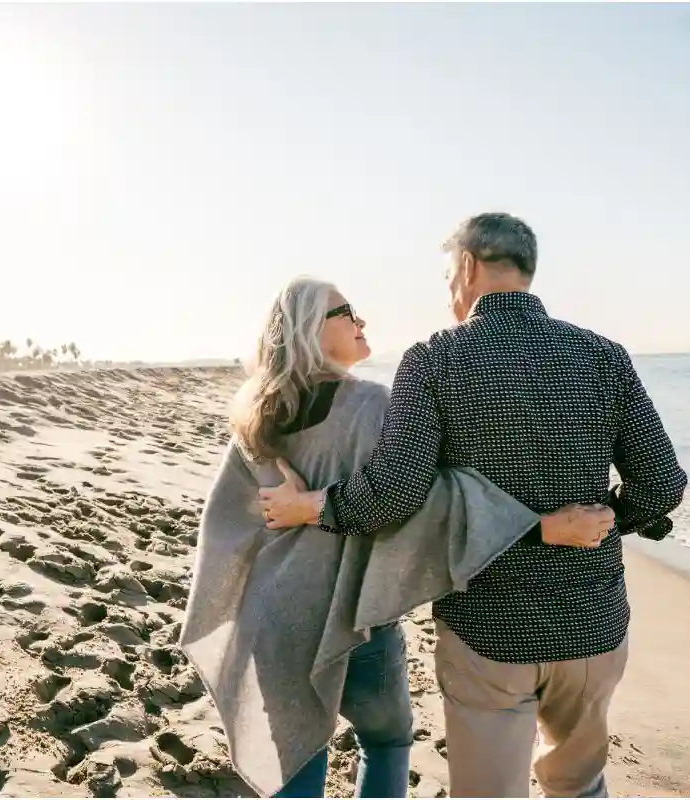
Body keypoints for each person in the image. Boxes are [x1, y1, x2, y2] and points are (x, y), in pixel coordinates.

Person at [258, 214, 689, 799]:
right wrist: (612, 518)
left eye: (446, 274)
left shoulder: (435, 360)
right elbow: (663, 484)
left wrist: (314, 506)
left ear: (466, 267)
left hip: (490, 627)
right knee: (580, 788)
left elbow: (392, 496)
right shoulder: (603, 355)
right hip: (595, 622)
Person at [181, 276, 615, 799]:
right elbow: (428, 504)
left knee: (295, 758)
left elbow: (229, 520)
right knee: (386, 742)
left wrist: (291, 516)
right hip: (356, 619)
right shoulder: (372, 407)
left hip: (275, 618)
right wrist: (545, 526)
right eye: (346, 312)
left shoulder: (253, 414)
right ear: (309, 330)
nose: (361, 320)